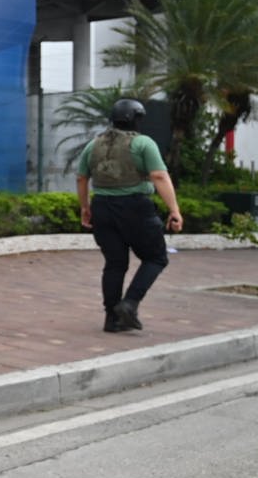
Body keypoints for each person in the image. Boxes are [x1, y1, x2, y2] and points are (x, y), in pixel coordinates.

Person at [76, 98, 183, 333]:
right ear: (136, 119)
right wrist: (174, 210)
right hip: (135, 208)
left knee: (115, 263)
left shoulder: (93, 145)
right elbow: (159, 176)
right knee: (156, 258)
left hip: (102, 208)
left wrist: (85, 207)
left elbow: (82, 178)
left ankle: (111, 319)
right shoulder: (143, 143)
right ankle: (130, 304)